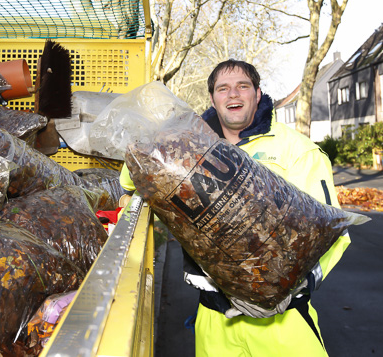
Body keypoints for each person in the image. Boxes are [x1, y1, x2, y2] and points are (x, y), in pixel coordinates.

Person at [119, 59, 350, 356]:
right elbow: (132, 180)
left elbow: (333, 232)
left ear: (257, 93)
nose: (233, 94)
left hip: (282, 322)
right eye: (222, 88)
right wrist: (148, 141)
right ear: (213, 99)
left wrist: (295, 287)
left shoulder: (297, 150)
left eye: (243, 86)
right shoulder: (188, 146)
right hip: (214, 320)